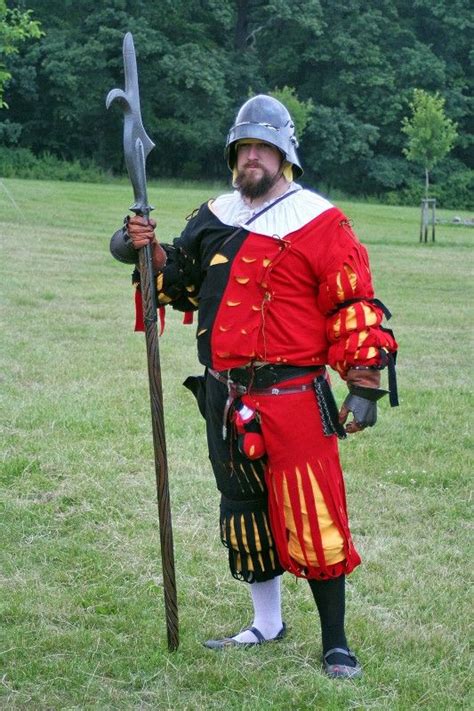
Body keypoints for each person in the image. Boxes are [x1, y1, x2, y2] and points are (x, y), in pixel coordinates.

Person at [111, 95, 398, 679]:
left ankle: (336, 642)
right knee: (245, 510)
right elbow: (175, 277)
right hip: (224, 395)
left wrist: (363, 384)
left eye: (263, 148)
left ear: (284, 155)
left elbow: (352, 301)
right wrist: (134, 244)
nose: (252, 159)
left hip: (293, 397)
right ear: (233, 157)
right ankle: (266, 623)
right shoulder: (216, 214)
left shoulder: (320, 219)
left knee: (313, 517)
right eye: (243, 149)